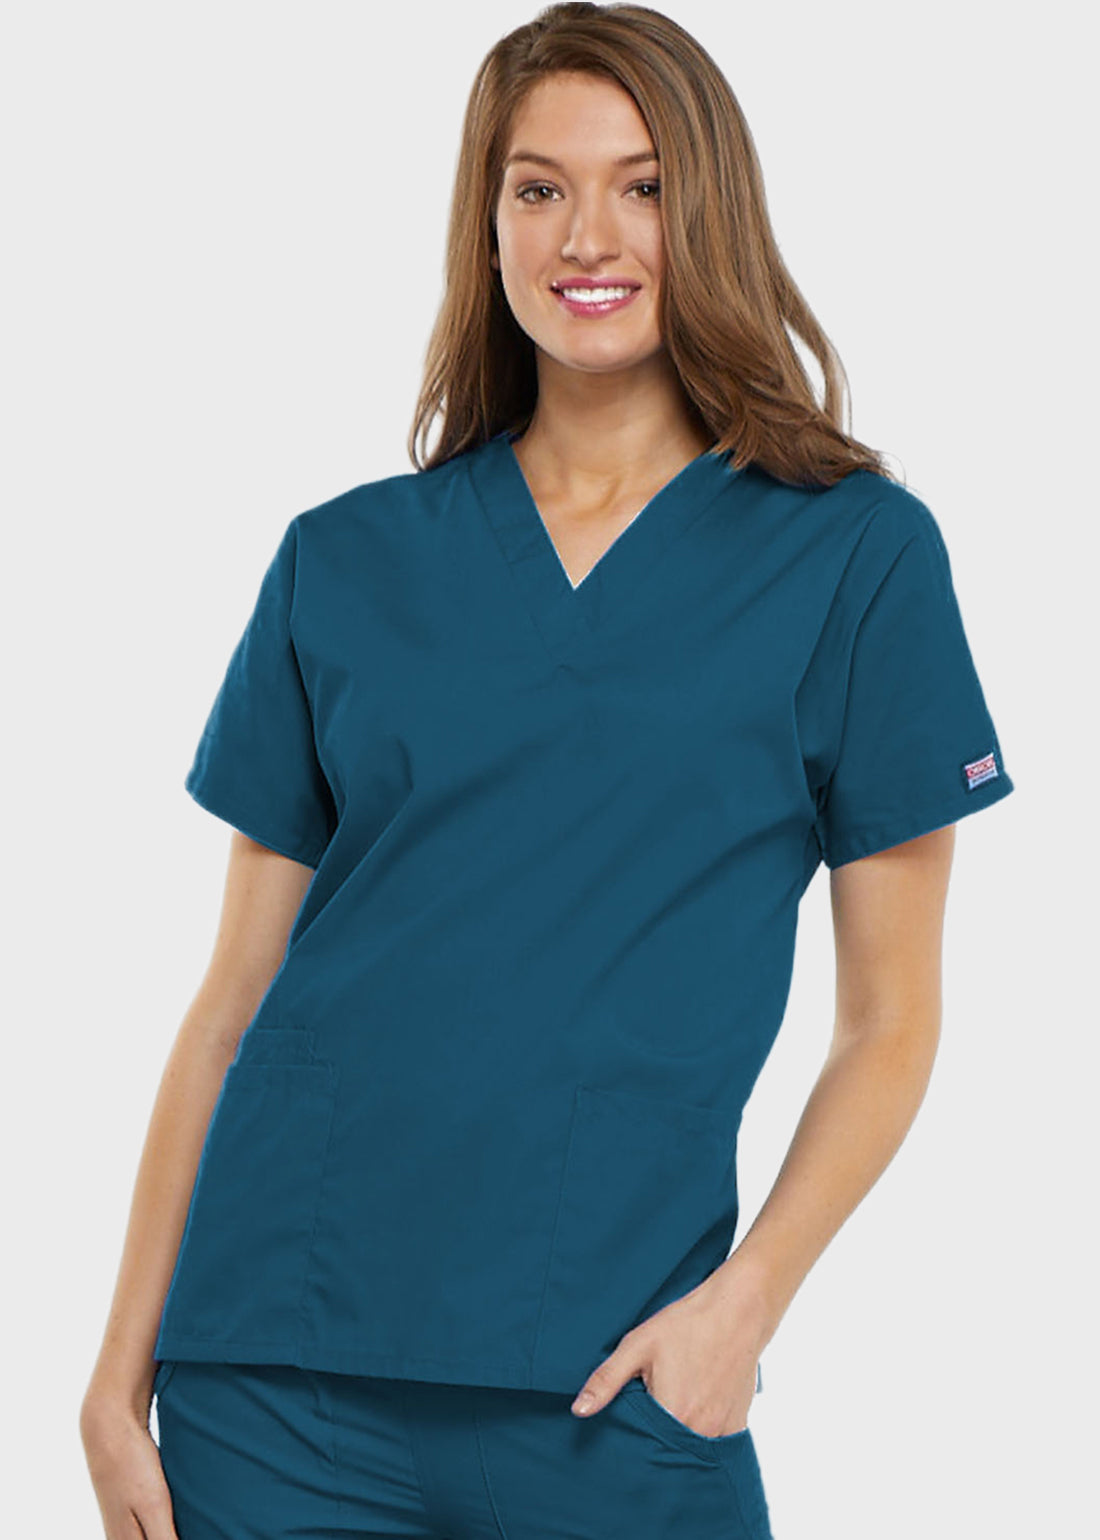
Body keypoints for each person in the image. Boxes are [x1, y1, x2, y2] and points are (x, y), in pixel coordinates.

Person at [79, 5, 1016, 1538]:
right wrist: (117, 1385)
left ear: (711, 211)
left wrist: (743, 1311)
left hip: (615, 1390)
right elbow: (232, 1005)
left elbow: (890, 1021)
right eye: (539, 188)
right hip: (276, 1379)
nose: (590, 235)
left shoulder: (854, 555)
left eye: (643, 186)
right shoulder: (343, 560)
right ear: (489, 221)